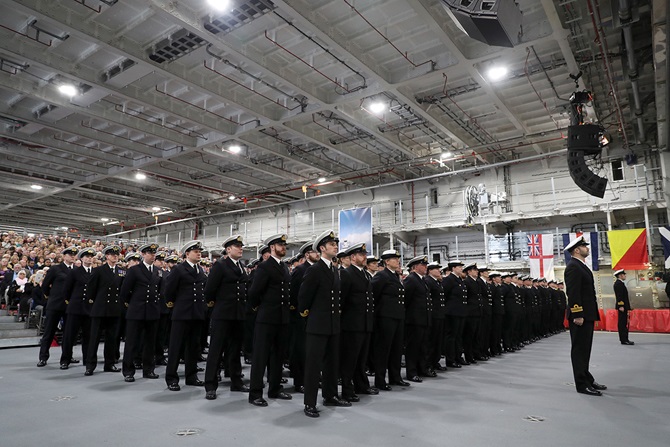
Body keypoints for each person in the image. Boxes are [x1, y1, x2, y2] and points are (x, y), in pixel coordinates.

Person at [247, 234, 292, 407]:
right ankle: (255, 393)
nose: (284, 247)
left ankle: (274, 388)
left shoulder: (284, 267)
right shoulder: (264, 267)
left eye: (284, 245)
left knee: (278, 356)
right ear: (272, 247)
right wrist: (260, 308)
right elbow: (254, 293)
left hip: (281, 318)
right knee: (260, 357)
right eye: (281, 245)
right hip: (266, 318)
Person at [204, 235, 250, 400]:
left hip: (238, 314)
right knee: (216, 350)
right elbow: (210, 289)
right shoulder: (220, 266)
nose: (240, 248)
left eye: (241, 246)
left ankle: (236, 381)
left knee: (235, 350)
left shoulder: (241, 266)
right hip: (223, 314)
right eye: (237, 246)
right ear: (228, 249)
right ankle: (210, 385)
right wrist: (216, 305)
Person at [564, 235, 607, 396]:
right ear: (576, 250)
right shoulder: (573, 267)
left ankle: (587, 377)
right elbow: (573, 293)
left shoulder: (580, 265)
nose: (587, 248)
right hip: (580, 316)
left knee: (585, 349)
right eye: (584, 246)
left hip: (587, 314)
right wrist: (577, 314)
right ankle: (581, 384)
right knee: (580, 350)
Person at [164, 241, 208, 391]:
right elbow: (169, 290)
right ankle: (171, 378)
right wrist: (172, 304)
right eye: (195, 251)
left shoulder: (200, 270)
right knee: (176, 347)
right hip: (182, 314)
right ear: (187, 254)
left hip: (196, 314)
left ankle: (191, 376)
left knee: (193, 347)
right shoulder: (179, 269)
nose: (198, 253)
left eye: (199, 251)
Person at [119, 243, 162, 382]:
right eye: (150, 253)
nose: (153, 255)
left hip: (152, 311)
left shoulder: (157, 271)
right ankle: (128, 371)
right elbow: (125, 291)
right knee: (132, 342)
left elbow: (161, 291)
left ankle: (148, 369)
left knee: (150, 343)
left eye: (154, 253)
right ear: (143, 254)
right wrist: (132, 304)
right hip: (136, 310)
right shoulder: (134, 270)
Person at [371, 249, 408, 391]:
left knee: (396, 349)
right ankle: (380, 380)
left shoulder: (395, 276)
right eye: (394, 259)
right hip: (385, 318)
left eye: (398, 258)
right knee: (383, 350)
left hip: (397, 317)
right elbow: (373, 294)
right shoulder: (382, 276)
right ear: (387, 262)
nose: (398, 261)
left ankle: (395, 377)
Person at [85, 245, 124, 376]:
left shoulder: (121, 271)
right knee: (94, 338)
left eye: (116, 254)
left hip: (114, 309)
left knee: (112, 339)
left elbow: (123, 291)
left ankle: (109, 363)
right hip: (100, 308)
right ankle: (90, 365)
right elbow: (91, 290)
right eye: (112, 254)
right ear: (106, 256)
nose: (115, 256)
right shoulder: (98, 270)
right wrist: (93, 305)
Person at [37, 246, 77, 368]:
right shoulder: (55, 269)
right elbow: (44, 286)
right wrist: (50, 297)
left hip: (69, 305)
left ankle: (67, 356)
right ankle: (43, 357)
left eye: (74, 255)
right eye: (70, 254)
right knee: (49, 331)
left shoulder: (76, 270)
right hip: (55, 304)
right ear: (64, 256)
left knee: (68, 333)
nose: (72, 256)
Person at [288, 241, 317, 394]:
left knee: (311, 351)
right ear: (307, 255)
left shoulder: (317, 269)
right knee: (300, 350)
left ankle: (310, 378)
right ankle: (299, 381)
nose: (317, 253)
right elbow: (293, 293)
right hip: (300, 317)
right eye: (314, 252)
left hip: (314, 317)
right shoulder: (300, 270)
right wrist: (299, 312)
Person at [59, 248, 95, 369]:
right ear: (81, 258)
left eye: (91, 256)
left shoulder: (95, 272)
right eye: (86, 256)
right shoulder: (74, 272)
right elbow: (66, 290)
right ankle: (65, 359)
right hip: (75, 308)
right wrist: (70, 303)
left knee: (88, 337)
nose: (89, 258)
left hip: (89, 309)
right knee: (70, 336)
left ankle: (87, 360)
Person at [403, 255, 433, 382]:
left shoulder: (422, 280)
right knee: (413, 347)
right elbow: (406, 300)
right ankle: (412, 372)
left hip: (423, 319)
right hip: (414, 320)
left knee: (423, 346)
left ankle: (422, 369)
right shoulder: (411, 279)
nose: (426, 267)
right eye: (423, 265)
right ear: (415, 267)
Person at [613, 269, 634, 345]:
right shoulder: (618, 284)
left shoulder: (620, 283)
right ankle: (624, 339)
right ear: (620, 275)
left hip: (624, 306)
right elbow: (619, 296)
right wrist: (621, 305)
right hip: (622, 307)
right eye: (624, 275)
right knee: (622, 323)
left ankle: (625, 338)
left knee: (624, 322)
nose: (625, 276)